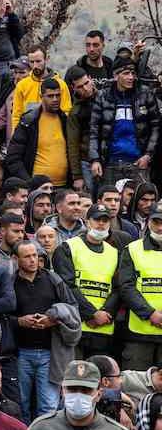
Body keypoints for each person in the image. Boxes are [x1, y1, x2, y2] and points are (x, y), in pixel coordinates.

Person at [11, 240, 72, 420]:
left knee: (48, 405)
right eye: (27, 256)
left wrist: (52, 320)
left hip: (49, 352)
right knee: (21, 404)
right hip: (20, 353)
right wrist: (19, 321)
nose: (32, 260)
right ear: (16, 259)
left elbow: (71, 308)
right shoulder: (9, 283)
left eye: (35, 256)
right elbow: (2, 317)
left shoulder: (53, 279)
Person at [53, 204, 121, 358]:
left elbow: (118, 288)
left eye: (105, 220)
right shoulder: (68, 248)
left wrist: (104, 314)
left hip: (103, 327)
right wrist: (91, 314)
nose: (101, 224)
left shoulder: (115, 253)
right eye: (97, 219)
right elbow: (67, 286)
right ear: (87, 221)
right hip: (75, 325)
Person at [89, 58, 160, 190]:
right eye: (126, 73)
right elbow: (94, 131)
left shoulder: (145, 94)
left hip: (138, 163)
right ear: (116, 76)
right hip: (110, 163)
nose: (131, 77)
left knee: (141, 203)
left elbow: (156, 127)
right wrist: (95, 159)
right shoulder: (103, 96)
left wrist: (148, 155)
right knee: (111, 204)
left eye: (133, 73)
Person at [4, 78, 70, 185]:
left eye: (58, 95)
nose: (55, 99)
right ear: (41, 97)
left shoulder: (65, 121)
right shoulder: (29, 122)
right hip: (37, 189)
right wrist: (28, 182)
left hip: (64, 187)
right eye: (50, 96)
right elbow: (13, 157)